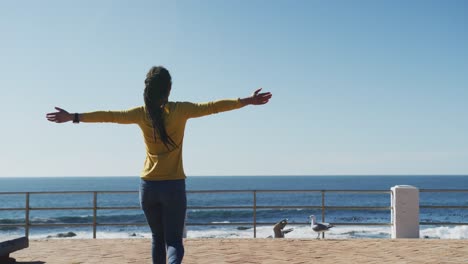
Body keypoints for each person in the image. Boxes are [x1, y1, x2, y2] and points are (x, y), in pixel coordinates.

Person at [46, 66, 272, 264]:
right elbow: (213, 106)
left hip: (148, 188)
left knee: (157, 239)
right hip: (173, 186)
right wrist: (246, 101)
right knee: (173, 241)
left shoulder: (140, 113)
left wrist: (73, 117)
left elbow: (109, 115)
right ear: (168, 90)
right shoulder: (180, 110)